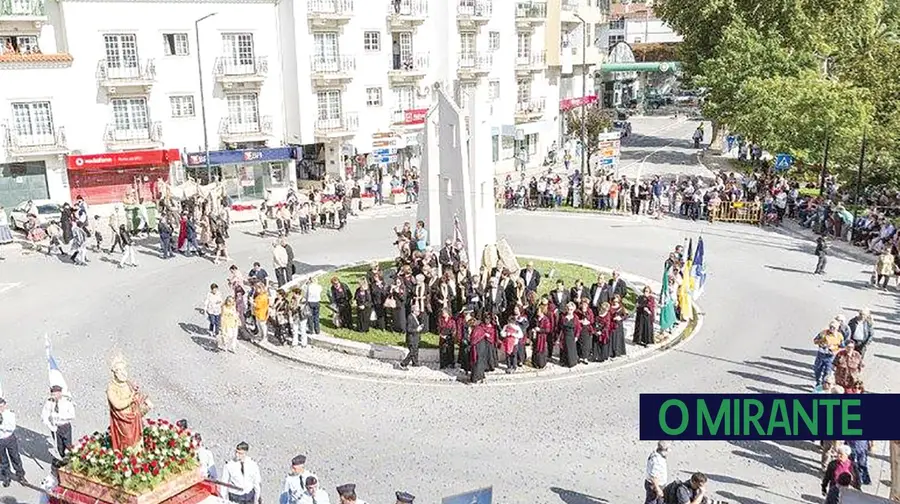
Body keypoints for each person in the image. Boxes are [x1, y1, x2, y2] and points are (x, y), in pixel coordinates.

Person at [41, 385, 75, 461]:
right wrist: (50, 426)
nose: (53, 396)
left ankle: (71, 460)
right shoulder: (49, 402)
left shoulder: (67, 402)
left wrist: (59, 416)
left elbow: (72, 415)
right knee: (59, 447)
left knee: (68, 446)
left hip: (65, 426)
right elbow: (44, 416)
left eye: (55, 394)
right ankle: (63, 460)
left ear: (60, 393)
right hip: (55, 428)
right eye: (52, 394)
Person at [0, 398, 26, 487]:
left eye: (1, 406)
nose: (0, 408)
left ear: (5, 405)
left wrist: (1, 425)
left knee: (15, 457)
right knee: (2, 460)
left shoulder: (9, 414)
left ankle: (20, 475)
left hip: (9, 438)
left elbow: (12, 427)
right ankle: (6, 476)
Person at [813, 320, 843, 387]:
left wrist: (834, 349)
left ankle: (824, 385)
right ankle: (818, 382)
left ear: (837, 328)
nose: (831, 329)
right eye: (831, 327)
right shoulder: (823, 333)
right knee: (817, 370)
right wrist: (822, 342)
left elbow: (842, 347)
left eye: (834, 328)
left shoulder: (839, 336)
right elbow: (815, 341)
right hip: (821, 355)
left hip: (830, 356)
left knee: (827, 372)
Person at [400, 304, 424, 368]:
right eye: (418, 311)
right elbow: (409, 329)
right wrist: (417, 329)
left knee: (415, 350)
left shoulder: (415, 317)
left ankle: (415, 363)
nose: (419, 312)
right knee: (412, 352)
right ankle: (404, 363)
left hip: (415, 337)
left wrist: (420, 327)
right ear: (414, 311)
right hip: (411, 338)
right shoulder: (410, 317)